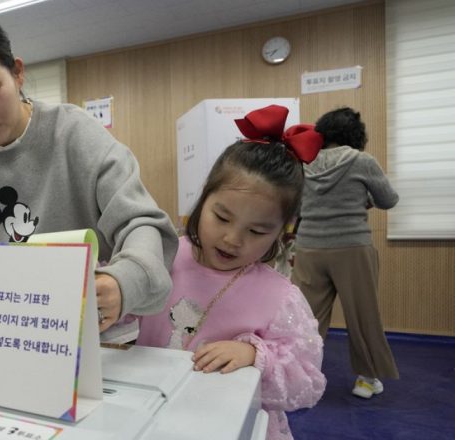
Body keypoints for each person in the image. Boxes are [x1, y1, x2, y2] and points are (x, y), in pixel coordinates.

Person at [0, 10, 179, 331]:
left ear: (17, 73)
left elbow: (139, 222)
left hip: (100, 329)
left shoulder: (74, 133)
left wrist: (124, 281)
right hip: (19, 326)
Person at [135, 105, 327, 440]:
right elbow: (123, 308)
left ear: (282, 232)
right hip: (151, 414)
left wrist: (256, 355)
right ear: (203, 198)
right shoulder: (162, 255)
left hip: (229, 424)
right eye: (222, 217)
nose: (232, 239)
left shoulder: (279, 296)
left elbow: (307, 380)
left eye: (257, 232)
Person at [291, 107, 399, 399]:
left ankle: (296, 377)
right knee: (363, 315)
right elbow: (388, 200)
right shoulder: (362, 161)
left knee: (306, 317)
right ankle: (366, 380)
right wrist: (361, 200)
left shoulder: (304, 164)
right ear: (356, 136)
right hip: (352, 248)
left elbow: (297, 208)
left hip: (309, 248)